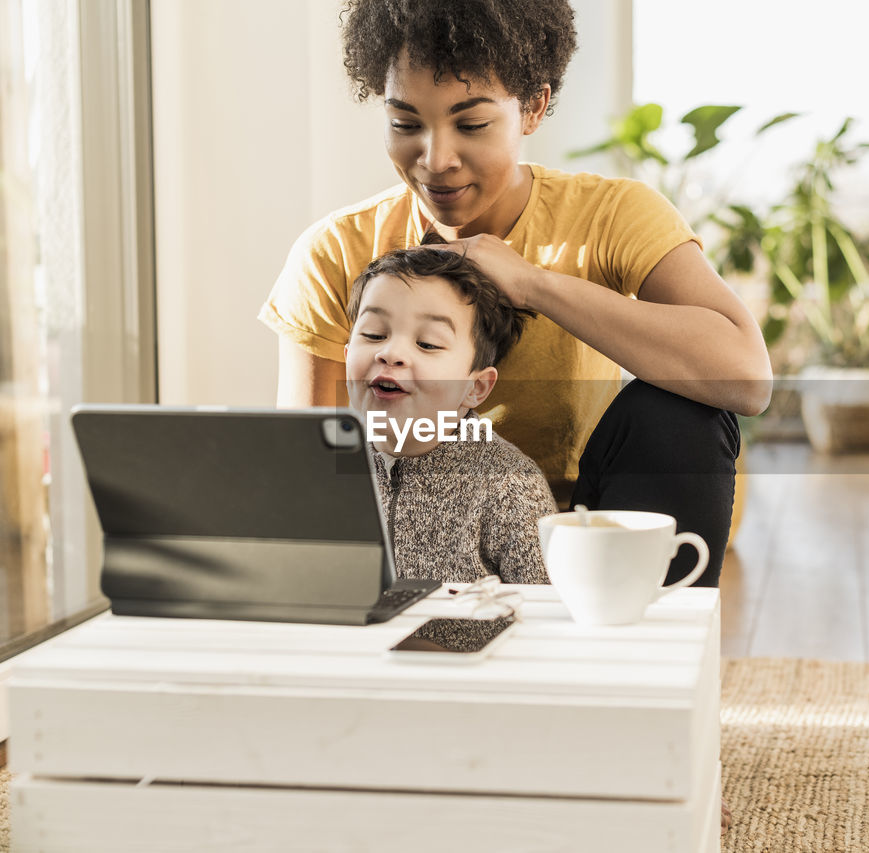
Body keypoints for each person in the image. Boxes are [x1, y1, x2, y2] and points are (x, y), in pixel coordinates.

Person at [260, 0, 772, 590]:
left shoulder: (612, 215)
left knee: (680, 413)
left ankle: (641, 654)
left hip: (585, 538)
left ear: (533, 107)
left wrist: (532, 283)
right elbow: (303, 471)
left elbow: (745, 376)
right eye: (405, 124)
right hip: (419, 544)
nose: (436, 160)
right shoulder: (335, 250)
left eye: (470, 124)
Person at [345, 237, 556, 584]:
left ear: (475, 388)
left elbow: (545, 614)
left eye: (427, 343)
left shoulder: (510, 485)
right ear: (347, 353)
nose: (391, 353)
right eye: (373, 334)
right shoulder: (317, 461)